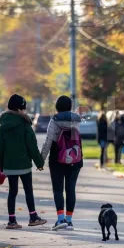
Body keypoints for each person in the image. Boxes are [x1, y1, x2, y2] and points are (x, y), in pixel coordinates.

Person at [0, 94, 47, 229]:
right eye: (23, 108)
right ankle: (33, 217)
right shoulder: (25, 125)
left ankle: (12, 221)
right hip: (24, 165)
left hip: (9, 166)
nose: (25, 111)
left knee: (12, 192)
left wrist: (1, 165)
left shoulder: (3, 127)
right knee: (28, 191)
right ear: (19, 109)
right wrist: (39, 163)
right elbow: (32, 146)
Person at [41, 95, 84, 231]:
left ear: (57, 107)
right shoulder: (76, 120)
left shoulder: (54, 120)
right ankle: (69, 220)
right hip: (75, 158)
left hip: (57, 158)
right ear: (70, 106)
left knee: (58, 189)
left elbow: (48, 141)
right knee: (71, 189)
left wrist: (41, 159)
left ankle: (60, 219)